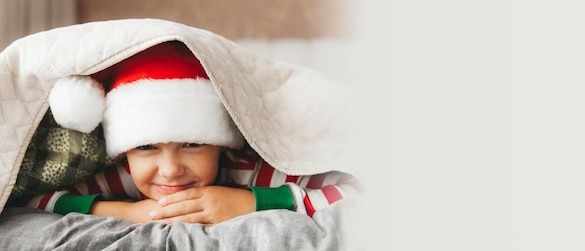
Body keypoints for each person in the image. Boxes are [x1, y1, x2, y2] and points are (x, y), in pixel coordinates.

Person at [25, 41, 363, 225]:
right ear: (125, 151)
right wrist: (126, 212)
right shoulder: (125, 177)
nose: (170, 169)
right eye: (146, 146)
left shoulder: (247, 169)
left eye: (193, 143)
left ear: (220, 144)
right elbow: (36, 201)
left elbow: (356, 190)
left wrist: (248, 203)